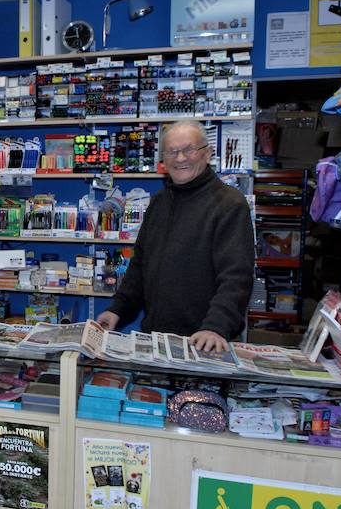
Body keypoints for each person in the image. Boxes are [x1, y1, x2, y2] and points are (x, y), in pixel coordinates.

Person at [97, 120, 254, 353]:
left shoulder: (229, 204)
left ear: (208, 153)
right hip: (156, 336)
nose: (180, 158)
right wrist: (118, 309)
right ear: (163, 160)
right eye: (172, 152)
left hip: (203, 341)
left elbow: (236, 278)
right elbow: (140, 265)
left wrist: (216, 327)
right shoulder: (160, 202)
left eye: (189, 149)